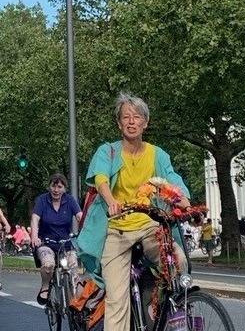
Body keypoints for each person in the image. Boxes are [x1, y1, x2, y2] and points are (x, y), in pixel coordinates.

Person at [74, 92, 191, 331]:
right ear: (119, 124)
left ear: (145, 123)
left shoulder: (158, 154)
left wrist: (187, 204)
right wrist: (111, 201)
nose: (131, 121)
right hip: (118, 230)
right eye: (125, 117)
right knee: (117, 300)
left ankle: (156, 305)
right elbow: (101, 179)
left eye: (137, 117)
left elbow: (173, 182)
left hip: (150, 228)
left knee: (177, 260)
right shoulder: (108, 151)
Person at [31, 173, 82, 305]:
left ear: (64, 188)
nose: (56, 190)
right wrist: (34, 237)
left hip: (65, 243)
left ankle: (75, 294)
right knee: (48, 265)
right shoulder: (42, 200)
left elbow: (80, 216)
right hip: (46, 243)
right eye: (53, 186)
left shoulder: (70, 200)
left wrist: (86, 231)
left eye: (59, 187)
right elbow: (35, 219)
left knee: (73, 265)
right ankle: (45, 286)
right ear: (49, 187)